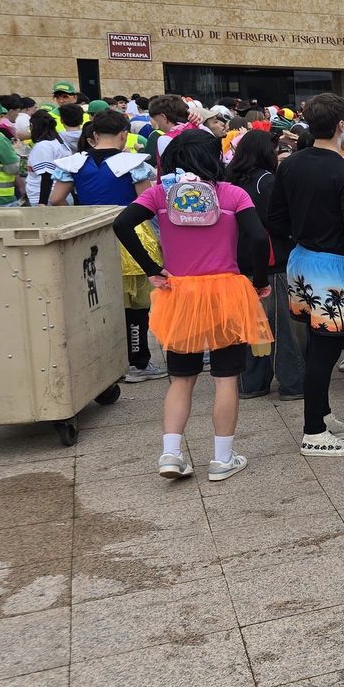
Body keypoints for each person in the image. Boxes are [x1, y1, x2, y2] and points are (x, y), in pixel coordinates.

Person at [112, 131, 272, 482]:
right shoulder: (232, 194)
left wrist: (152, 269)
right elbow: (258, 238)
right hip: (226, 292)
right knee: (226, 377)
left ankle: (170, 454)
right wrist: (257, 281)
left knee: (181, 380)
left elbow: (122, 224)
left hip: (179, 294)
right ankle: (221, 459)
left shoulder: (160, 195)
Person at [266, 92, 344, 457]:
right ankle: (313, 431)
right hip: (333, 267)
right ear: (341, 125)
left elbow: (275, 218)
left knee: (318, 343)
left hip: (301, 260)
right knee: (324, 349)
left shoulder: (290, 165)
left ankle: (322, 414)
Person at [49, 108, 165, 382]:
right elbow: (146, 202)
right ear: (124, 134)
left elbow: (56, 200)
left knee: (99, 301)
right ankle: (138, 362)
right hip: (132, 237)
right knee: (136, 305)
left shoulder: (73, 163)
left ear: (93, 136)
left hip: (90, 238)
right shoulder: (132, 164)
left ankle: (108, 361)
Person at [228, 128, 306, 401]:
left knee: (250, 328)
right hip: (270, 263)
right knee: (282, 328)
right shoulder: (266, 181)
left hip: (237, 262)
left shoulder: (230, 181)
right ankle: (292, 383)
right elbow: (277, 221)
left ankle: (252, 383)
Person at [25, 110, 68, 205]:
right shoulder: (58, 141)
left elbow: (47, 176)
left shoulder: (43, 146)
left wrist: (42, 203)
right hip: (57, 194)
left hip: (45, 197)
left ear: (33, 126)